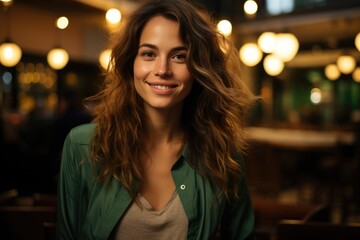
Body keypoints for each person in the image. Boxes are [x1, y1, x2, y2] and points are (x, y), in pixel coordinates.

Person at [57, 0, 256, 239]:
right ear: (131, 62)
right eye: (149, 54)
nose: (162, 69)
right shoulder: (82, 147)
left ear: (199, 68)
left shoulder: (222, 155)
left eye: (179, 56)